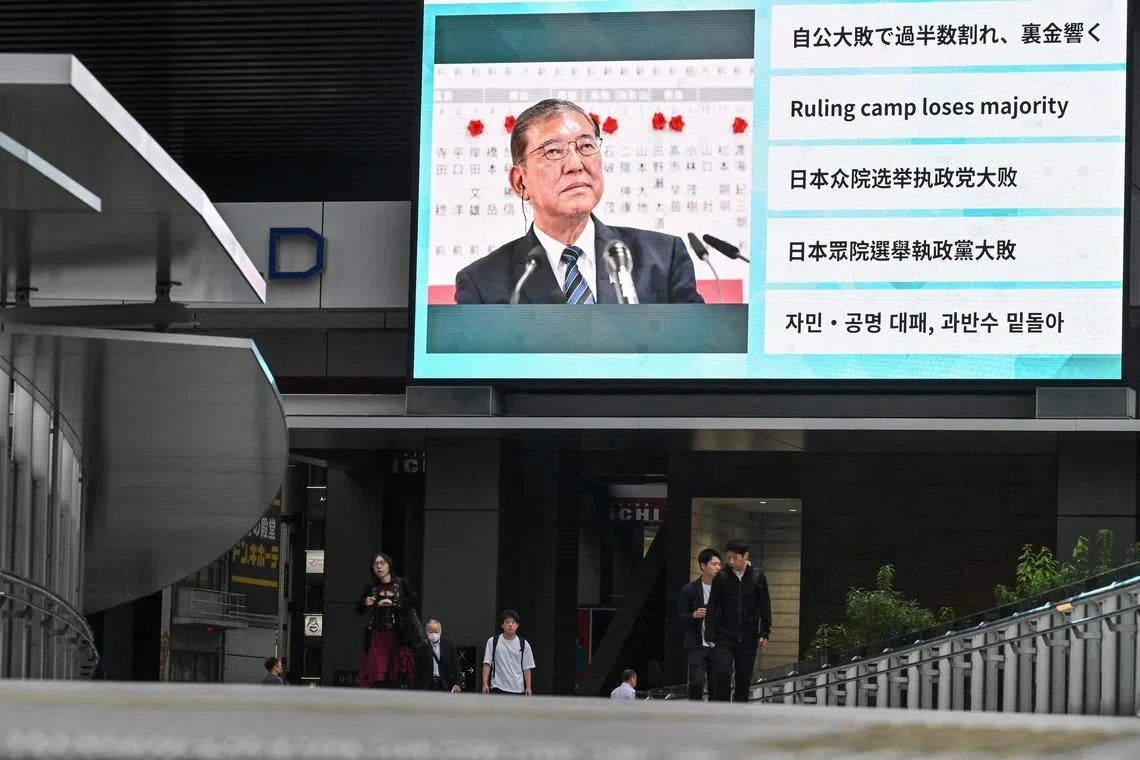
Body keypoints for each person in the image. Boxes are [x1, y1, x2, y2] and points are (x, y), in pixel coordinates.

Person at [454, 98, 705, 305]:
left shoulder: (662, 259)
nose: (576, 164)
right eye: (552, 151)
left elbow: (698, 355)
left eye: (586, 146)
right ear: (520, 182)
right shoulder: (482, 285)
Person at [707, 539, 772, 703]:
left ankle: (739, 710)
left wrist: (765, 631)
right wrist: (710, 634)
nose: (731, 562)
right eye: (728, 558)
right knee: (722, 672)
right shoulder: (722, 577)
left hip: (748, 636)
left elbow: (764, 605)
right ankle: (722, 708)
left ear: (745, 556)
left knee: (744, 678)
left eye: (735, 558)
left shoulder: (758, 576)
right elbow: (713, 606)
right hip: (724, 636)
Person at [354, 552, 421, 688]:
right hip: (378, 635)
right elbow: (359, 610)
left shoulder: (401, 583)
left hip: (398, 633)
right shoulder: (371, 588)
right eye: (375, 564)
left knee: (396, 671)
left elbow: (414, 600)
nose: (379, 567)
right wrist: (365, 603)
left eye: (382, 563)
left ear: (389, 565)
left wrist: (394, 602)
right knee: (378, 671)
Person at [678, 548, 722, 701]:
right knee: (696, 682)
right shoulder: (689, 589)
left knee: (716, 685)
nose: (718, 567)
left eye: (719, 564)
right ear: (703, 566)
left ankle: (714, 716)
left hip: (718, 644)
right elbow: (681, 616)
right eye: (714, 564)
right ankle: (695, 711)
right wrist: (694, 615)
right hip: (697, 644)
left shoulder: (724, 589)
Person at [482, 609, 535, 695]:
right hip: (497, 687)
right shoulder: (493, 641)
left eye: (513, 622)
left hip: (517, 688)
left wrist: (528, 687)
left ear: (517, 625)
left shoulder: (524, 644)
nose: (510, 625)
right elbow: (487, 663)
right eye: (507, 622)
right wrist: (484, 684)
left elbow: (527, 667)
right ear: (502, 625)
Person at [413, 618, 463, 693]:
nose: (434, 634)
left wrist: (457, 683)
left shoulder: (449, 644)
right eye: (431, 632)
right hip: (427, 686)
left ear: (441, 631)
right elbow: (417, 670)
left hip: (445, 684)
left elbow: (456, 666)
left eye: (436, 632)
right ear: (426, 632)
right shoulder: (420, 647)